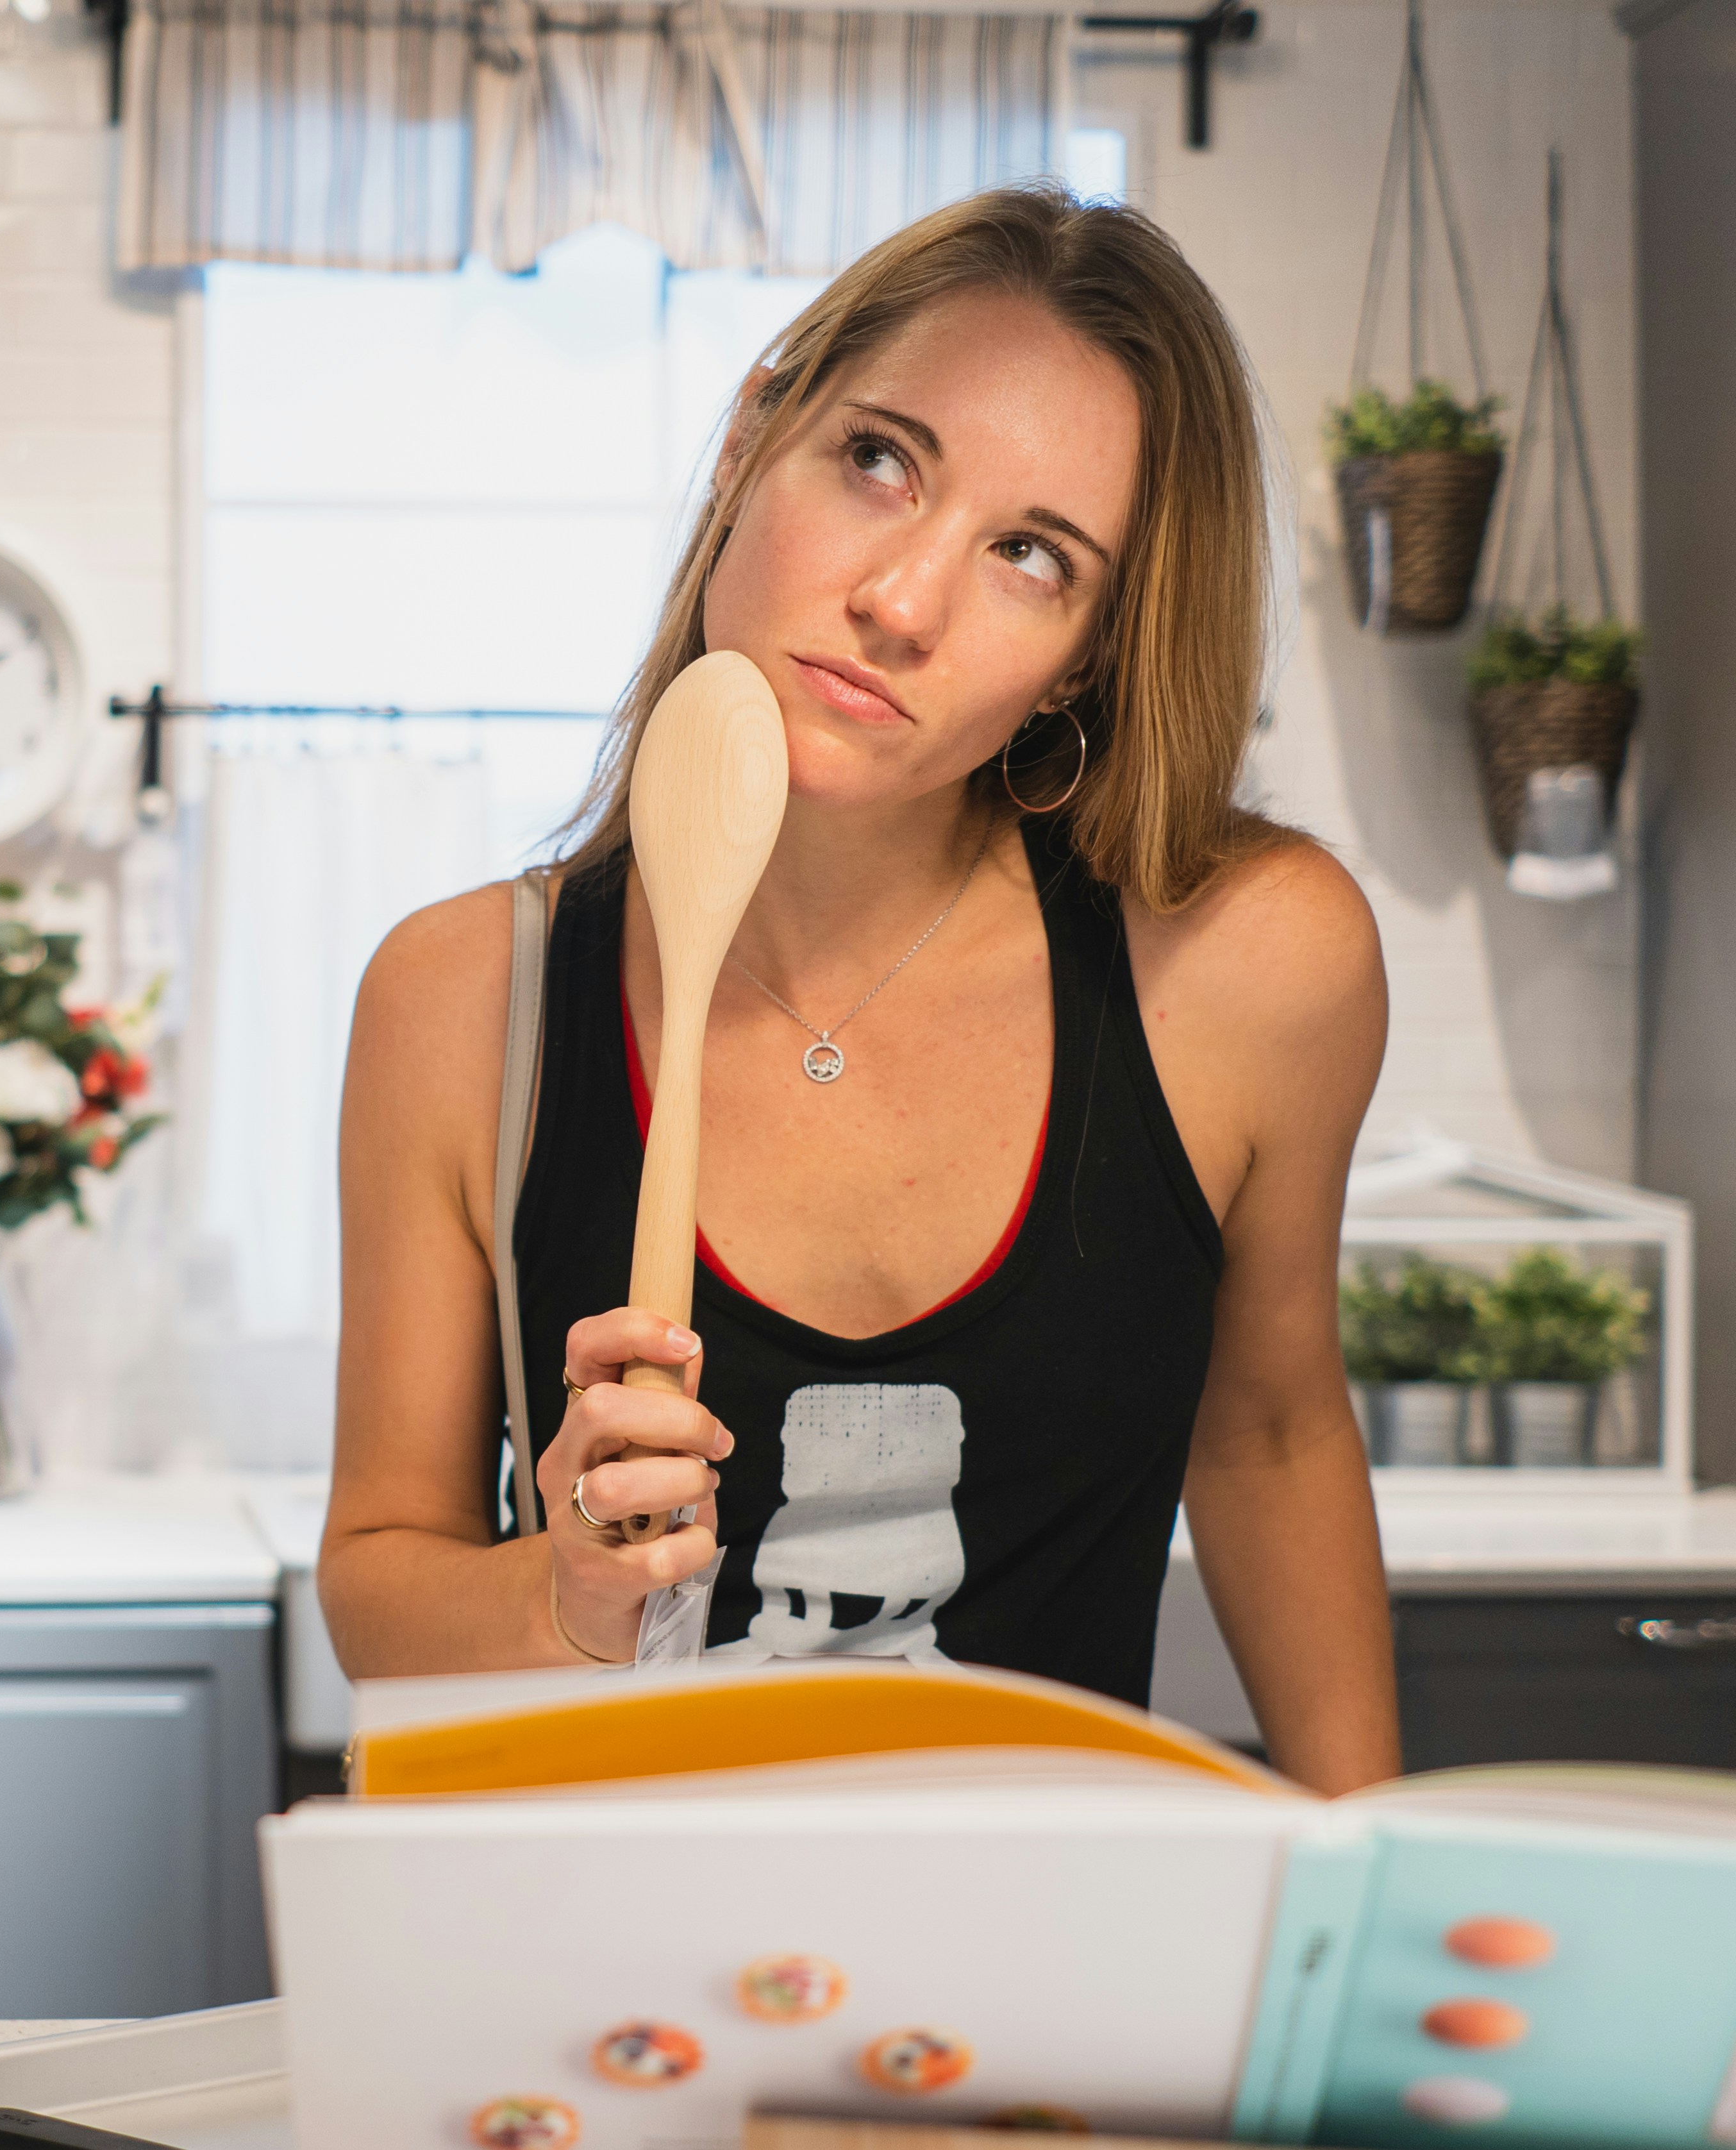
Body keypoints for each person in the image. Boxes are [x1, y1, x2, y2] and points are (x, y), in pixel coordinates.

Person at [318, 183, 1401, 1793]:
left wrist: (1365, 1906)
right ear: (756, 436)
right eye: (878, 460)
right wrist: (563, 1592)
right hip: (605, 1995)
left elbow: (1268, 1435)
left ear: (1090, 654)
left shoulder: (1248, 965)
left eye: (1030, 557)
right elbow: (377, 1580)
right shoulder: (466, 996)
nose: (901, 602)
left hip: (1042, 1998)